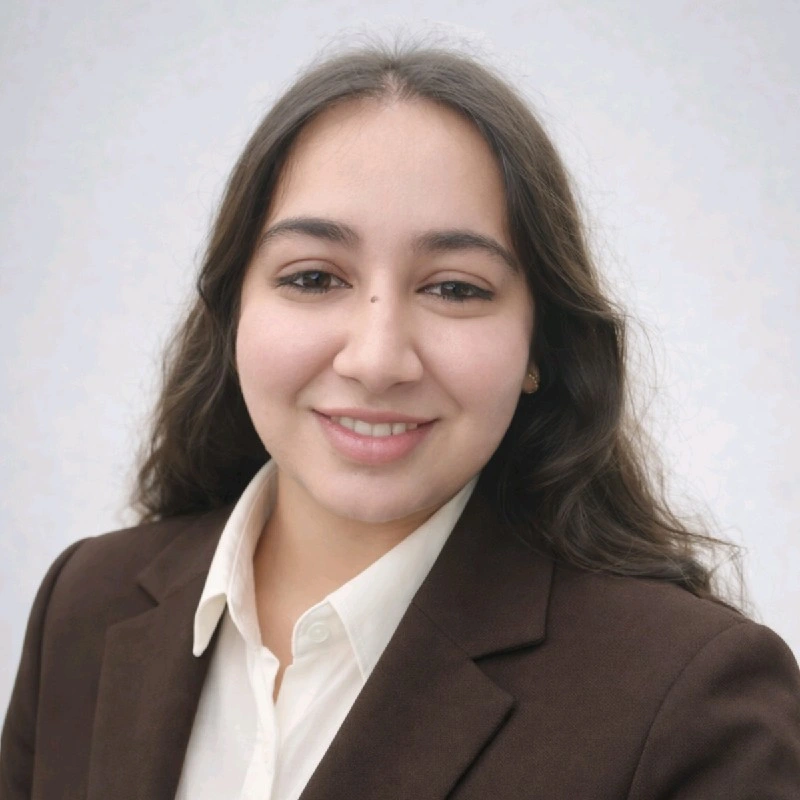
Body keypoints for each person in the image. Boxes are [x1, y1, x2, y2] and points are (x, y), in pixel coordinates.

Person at [2, 40, 799, 800]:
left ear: (541, 345)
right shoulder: (88, 604)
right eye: (313, 278)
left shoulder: (689, 694)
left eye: (455, 288)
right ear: (232, 311)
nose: (377, 360)